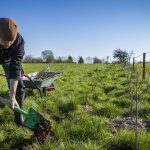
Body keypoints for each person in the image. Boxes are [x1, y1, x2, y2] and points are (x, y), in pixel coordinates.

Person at [0, 18, 25, 126]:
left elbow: (15, 68)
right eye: (6, 42)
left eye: (12, 41)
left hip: (8, 60)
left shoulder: (19, 42)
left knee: (19, 86)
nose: (9, 44)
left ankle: (19, 120)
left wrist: (12, 96)